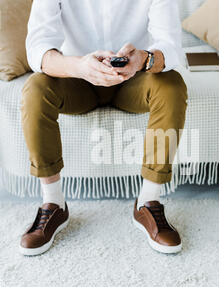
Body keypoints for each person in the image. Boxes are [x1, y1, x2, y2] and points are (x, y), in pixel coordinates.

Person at [19, 0, 188, 256]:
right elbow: (38, 49)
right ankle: (53, 203)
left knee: (172, 85)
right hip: (76, 79)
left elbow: (171, 46)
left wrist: (144, 58)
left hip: (134, 80)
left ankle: (148, 202)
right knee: (35, 88)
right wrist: (78, 66)